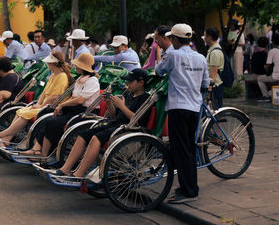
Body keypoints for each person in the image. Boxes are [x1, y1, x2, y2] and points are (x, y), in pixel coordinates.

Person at [51, 69, 151, 179]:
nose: (128, 84)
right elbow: (114, 115)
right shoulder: (128, 96)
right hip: (115, 123)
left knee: (96, 138)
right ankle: (65, 169)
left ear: (141, 83)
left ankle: (79, 173)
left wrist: (122, 106)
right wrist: (109, 103)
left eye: (131, 81)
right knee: (84, 134)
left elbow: (136, 121)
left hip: (127, 129)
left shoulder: (145, 99)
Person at [155, 23, 209, 204]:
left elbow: (158, 70)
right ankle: (190, 187)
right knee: (189, 149)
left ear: (176, 40)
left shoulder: (173, 55)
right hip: (194, 108)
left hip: (178, 107)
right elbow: (204, 83)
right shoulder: (201, 57)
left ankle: (189, 190)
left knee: (181, 150)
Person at [22, 52, 100, 158]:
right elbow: (73, 97)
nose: (75, 66)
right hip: (75, 110)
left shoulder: (92, 81)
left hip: (86, 112)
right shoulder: (80, 79)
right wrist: (61, 106)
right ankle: (37, 148)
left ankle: (44, 153)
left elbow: (80, 100)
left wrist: (62, 105)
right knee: (47, 118)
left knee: (53, 122)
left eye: (77, 65)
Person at [0, 52, 74, 143]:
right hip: (45, 104)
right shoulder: (53, 75)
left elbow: (54, 96)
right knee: (20, 111)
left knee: (26, 114)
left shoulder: (62, 77)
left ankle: (1, 134)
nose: (48, 65)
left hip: (52, 107)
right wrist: (39, 104)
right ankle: (6, 139)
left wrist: (41, 106)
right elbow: (44, 92)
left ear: (52, 63)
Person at [204, 27, 224, 108]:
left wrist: (210, 88)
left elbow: (214, 71)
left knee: (217, 111)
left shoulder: (215, 52)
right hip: (215, 85)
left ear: (209, 37)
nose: (204, 38)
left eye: (205, 36)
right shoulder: (213, 50)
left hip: (215, 86)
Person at [257, 34, 279, 102]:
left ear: (273, 42)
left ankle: (265, 96)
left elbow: (267, 65)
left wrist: (266, 68)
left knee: (259, 78)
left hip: (276, 76)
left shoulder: (272, 51)